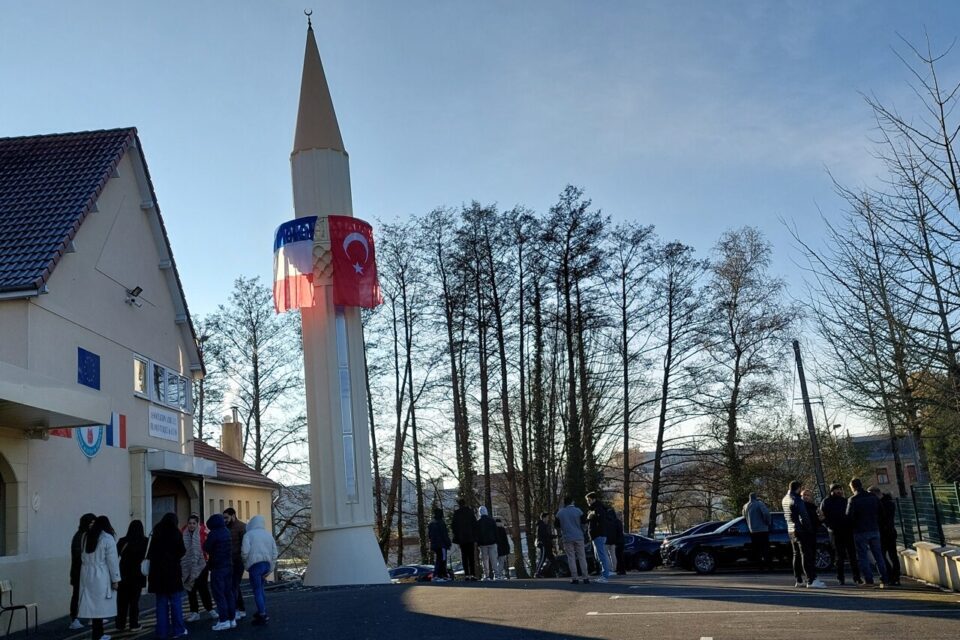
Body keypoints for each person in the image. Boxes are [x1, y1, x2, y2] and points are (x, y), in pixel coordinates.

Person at [77, 515, 120, 640]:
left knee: (93, 607)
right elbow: (112, 561)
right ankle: (98, 634)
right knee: (100, 607)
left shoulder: (85, 536)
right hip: (101, 575)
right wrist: (115, 579)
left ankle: (98, 634)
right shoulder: (107, 538)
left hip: (86, 574)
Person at [148, 512, 188, 638]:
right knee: (176, 602)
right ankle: (178, 630)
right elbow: (182, 551)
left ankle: (162, 632)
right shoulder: (176, 533)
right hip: (173, 572)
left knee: (161, 604)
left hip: (157, 574)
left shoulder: (156, 532)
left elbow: (150, 552)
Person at [782, 480, 825, 588]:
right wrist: (809, 530)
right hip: (801, 531)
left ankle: (799, 579)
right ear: (799, 488)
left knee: (796, 554)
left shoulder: (785, 499)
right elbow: (804, 517)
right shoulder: (797, 500)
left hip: (791, 530)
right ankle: (811, 580)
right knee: (806, 555)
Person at [847, 478, 889, 588]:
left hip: (860, 531)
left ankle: (869, 580)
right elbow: (882, 512)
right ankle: (885, 579)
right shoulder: (873, 497)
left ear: (852, 487)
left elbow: (849, 517)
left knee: (863, 556)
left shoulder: (853, 500)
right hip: (874, 529)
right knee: (878, 555)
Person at [820, 483, 861, 585]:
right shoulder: (826, 502)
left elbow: (851, 514)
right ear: (832, 491)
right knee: (839, 556)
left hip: (847, 531)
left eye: (840, 489)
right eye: (837, 489)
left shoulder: (845, 500)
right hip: (835, 532)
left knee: (852, 556)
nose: (839, 491)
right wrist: (829, 526)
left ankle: (857, 577)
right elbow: (821, 516)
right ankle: (840, 578)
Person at [241, 514, 278, 626]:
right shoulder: (268, 535)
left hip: (255, 566)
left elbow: (244, 552)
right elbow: (275, 553)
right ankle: (262, 610)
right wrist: (270, 569)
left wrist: (246, 564)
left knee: (257, 590)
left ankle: (262, 614)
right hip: (266, 565)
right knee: (261, 589)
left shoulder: (248, 535)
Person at [182, 513, 216, 622]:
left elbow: (208, 546)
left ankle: (210, 609)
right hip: (187, 565)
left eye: (193, 523)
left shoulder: (203, 533)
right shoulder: (183, 533)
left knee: (203, 588)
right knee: (190, 589)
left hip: (202, 565)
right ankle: (194, 612)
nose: (191, 525)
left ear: (197, 524)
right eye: (190, 523)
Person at [116, 519, 148, 632]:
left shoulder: (123, 541)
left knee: (122, 601)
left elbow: (115, 555)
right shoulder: (145, 541)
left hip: (123, 574)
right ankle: (134, 624)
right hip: (137, 575)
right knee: (134, 601)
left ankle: (120, 624)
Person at [205, 513, 236, 631]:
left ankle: (223, 620)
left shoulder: (213, 534)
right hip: (228, 566)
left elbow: (206, 547)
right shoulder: (227, 531)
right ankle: (232, 619)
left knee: (219, 594)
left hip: (217, 567)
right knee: (228, 593)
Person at [69, 513, 97, 631]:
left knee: (88, 594)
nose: (93, 525)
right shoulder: (80, 537)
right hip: (79, 571)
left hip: (84, 571)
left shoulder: (85, 535)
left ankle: (91, 617)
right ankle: (74, 619)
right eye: (91, 523)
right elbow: (78, 555)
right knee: (77, 595)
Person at [556, 495, 589, 584]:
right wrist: (583, 530)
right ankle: (585, 577)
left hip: (567, 537)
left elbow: (556, 525)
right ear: (572, 502)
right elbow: (584, 522)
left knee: (571, 558)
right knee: (582, 557)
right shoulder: (578, 511)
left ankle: (575, 578)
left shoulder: (560, 513)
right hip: (579, 536)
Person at [222, 508, 247, 620]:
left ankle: (237, 609)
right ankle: (240, 609)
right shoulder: (225, 527)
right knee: (233, 586)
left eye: (226, 517)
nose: (224, 520)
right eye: (223, 518)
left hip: (238, 561)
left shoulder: (241, 527)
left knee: (234, 585)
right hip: (229, 561)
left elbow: (244, 545)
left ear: (233, 516)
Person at [585, 492, 612, 582]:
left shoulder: (598, 509)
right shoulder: (596, 508)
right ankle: (605, 573)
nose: (588, 502)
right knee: (599, 556)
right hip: (597, 535)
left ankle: (605, 576)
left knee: (601, 556)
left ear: (594, 499)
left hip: (598, 535)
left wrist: (591, 517)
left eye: (589, 500)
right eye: (587, 500)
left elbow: (601, 521)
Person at [877, 490, 901, 586]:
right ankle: (896, 576)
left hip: (883, 533)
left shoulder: (881, 504)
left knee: (881, 556)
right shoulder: (890, 503)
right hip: (891, 532)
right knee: (893, 556)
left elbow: (880, 519)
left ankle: (890, 574)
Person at [742, 492, 772, 571]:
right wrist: (768, 522)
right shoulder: (759, 504)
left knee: (757, 549)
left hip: (752, 531)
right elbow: (766, 514)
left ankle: (760, 566)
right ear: (756, 497)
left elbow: (744, 517)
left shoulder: (745, 506)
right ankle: (768, 565)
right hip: (763, 530)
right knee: (765, 549)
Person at [451, 498, 478, 580]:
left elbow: (453, 526)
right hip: (470, 538)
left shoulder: (457, 513)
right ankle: (473, 574)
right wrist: (474, 536)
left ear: (459, 504)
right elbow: (474, 524)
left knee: (464, 557)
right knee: (471, 557)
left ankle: (466, 574)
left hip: (462, 539)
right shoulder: (470, 512)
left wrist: (457, 536)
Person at [428, 508, 452, 582]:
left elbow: (429, 535)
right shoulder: (441, 523)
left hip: (435, 545)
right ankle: (439, 575)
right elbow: (444, 535)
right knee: (442, 559)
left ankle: (441, 575)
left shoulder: (431, 523)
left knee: (439, 559)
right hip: (441, 545)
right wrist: (448, 543)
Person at [476, 506, 499, 581]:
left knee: (485, 561)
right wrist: (496, 541)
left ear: (479, 513)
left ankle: (486, 575)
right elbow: (496, 531)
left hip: (483, 544)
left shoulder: (478, 522)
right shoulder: (491, 520)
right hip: (492, 543)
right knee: (494, 560)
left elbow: (477, 534)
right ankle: (496, 575)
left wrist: (478, 543)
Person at [534, 512, 555, 578]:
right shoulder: (541, 526)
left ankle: (557, 571)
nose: (548, 519)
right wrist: (552, 537)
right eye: (547, 517)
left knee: (551, 558)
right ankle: (537, 573)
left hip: (546, 545)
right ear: (544, 518)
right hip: (544, 545)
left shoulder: (543, 525)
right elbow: (544, 536)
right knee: (542, 559)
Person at [613, 512, 626, 576]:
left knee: (618, 557)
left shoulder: (616, 522)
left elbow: (616, 532)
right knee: (620, 557)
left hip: (618, 542)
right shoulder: (620, 522)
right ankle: (621, 570)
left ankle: (620, 570)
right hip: (621, 541)